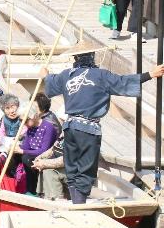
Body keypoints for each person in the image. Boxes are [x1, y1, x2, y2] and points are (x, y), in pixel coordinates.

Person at [42, 49, 164, 203]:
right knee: (85, 170)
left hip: (70, 128)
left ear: (76, 58)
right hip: (88, 129)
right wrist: (150, 74)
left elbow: (50, 83)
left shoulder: (67, 74)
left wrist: (45, 75)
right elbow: (122, 82)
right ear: (92, 58)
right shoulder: (101, 75)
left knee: (72, 167)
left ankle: (76, 203)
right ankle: (79, 207)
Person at [17, 102, 59, 196]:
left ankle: (32, 190)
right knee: (14, 156)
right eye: (20, 120)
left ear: (34, 116)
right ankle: (16, 184)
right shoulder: (30, 128)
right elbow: (26, 146)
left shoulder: (48, 127)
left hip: (47, 156)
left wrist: (22, 151)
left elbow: (44, 150)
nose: (23, 123)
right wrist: (16, 147)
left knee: (27, 159)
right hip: (32, 154)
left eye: (25, 120)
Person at [31, 135, 67, 199]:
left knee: (49, 170)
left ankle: (55, 198)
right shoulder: (65, 130)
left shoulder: (77, 133)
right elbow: (53, 149)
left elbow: (68, 160)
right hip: (64, 166)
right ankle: (43, 195)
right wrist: (39, 158)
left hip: (76, 169)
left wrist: (44, 163)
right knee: (40, 165)